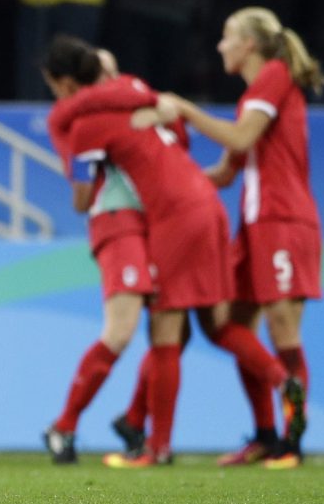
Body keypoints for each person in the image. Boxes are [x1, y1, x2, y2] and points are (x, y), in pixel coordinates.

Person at [44, 35, 306, 467]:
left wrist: (64, 130)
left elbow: (81, 188)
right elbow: (175, 137)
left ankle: (156, 448)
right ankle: (281, 381)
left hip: (175, 218)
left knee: (164, 331)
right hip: (207, 204)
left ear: (67, 83)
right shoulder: (151, 104)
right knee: (216, 323)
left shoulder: (92, 121)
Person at [158, 8, 324, 467]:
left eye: (226, 36)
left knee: (282, 327)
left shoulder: (273, 76)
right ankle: (267, 434)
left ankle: (292, 440)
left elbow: (241, 136)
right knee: (225, 322)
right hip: (254, 225)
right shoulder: (254, 94)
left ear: (248, 44)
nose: (220, 46)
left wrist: (186, 109)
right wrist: (165, 188)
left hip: (284, 219)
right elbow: (227, 171)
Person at [39, 44, 163, 464]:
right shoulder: (90, 120)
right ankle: (65, 424)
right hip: (118, 220)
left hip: (162, 220)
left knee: (171, 330)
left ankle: (134, 419)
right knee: (121, 331)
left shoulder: (102, 107)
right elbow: (82, 195)